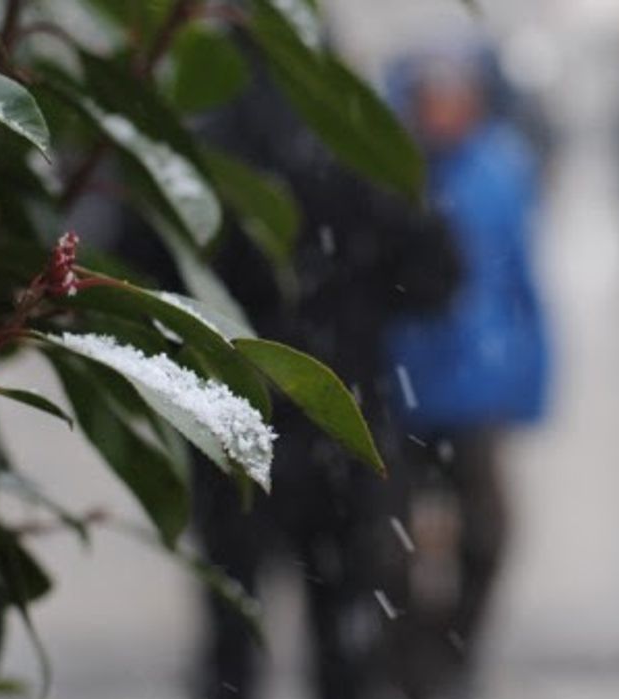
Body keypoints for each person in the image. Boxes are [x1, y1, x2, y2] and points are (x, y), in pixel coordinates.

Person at [115, 39, 461, 699]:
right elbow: (438, 274)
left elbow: (132, 275)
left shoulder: (197, 146)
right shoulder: (356, 143)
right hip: (341, 422)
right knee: (345, 636)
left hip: (229, 426)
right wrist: (359, 297)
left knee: (231, 636)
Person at [385, 48, 551, 699]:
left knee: (488, 531)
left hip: (474, 388)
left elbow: (522, 280)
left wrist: (531, 379)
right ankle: (410, 655)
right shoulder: (389, 167)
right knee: (389, 544)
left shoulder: (501, 169)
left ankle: (455, 648)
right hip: (397, 389)